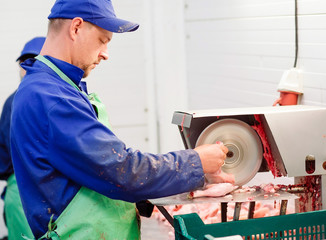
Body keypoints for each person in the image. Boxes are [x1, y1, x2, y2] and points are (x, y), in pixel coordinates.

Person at [10, 0, 231, 239]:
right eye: (103, 40)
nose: (105, 54)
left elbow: (95, 172)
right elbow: (122, 170)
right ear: (75, 28)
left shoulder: (58, 88)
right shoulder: (51, 98)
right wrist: (196, 162)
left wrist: (187, 180)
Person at [0, 37, 45, 240]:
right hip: (22, 189)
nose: (27, 68)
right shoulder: (18, 101)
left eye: (34, 61)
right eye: (24, 63)